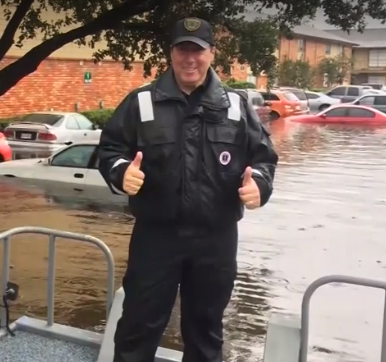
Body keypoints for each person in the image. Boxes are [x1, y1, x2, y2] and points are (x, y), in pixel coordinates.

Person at [97, 17, 279, 362]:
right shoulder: (142, 103)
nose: (190, 59)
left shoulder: (236, 106)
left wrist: (260, 184)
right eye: (183, 50)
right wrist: (121, 174)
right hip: (156, 237)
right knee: (138, 327)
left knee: (206, 331)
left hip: (216, 240)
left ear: (212, 53)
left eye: (198, 51)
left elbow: (264, 158)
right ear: (171, 53)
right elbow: (109, 151)